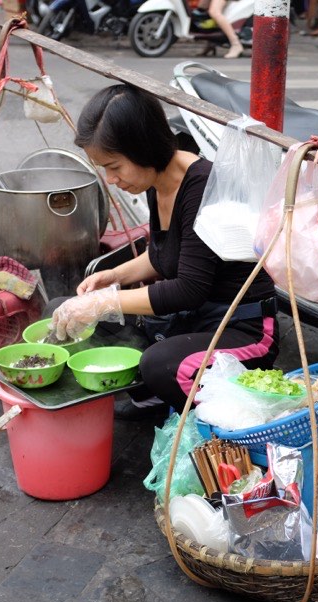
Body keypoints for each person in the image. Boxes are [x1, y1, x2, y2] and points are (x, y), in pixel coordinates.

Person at [52, 84, 278, 419]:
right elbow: (164, 254)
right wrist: (115, 276)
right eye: (104, 169)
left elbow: (188, 288)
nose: (111, 179)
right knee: (61, 311)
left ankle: (176, 408)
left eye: (114, 166)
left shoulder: (201, 186)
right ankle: (155, 393)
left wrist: (105, 302)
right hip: (189, 323)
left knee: (158, 364)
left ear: (144, 148)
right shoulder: (156, 181)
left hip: (242, 330)